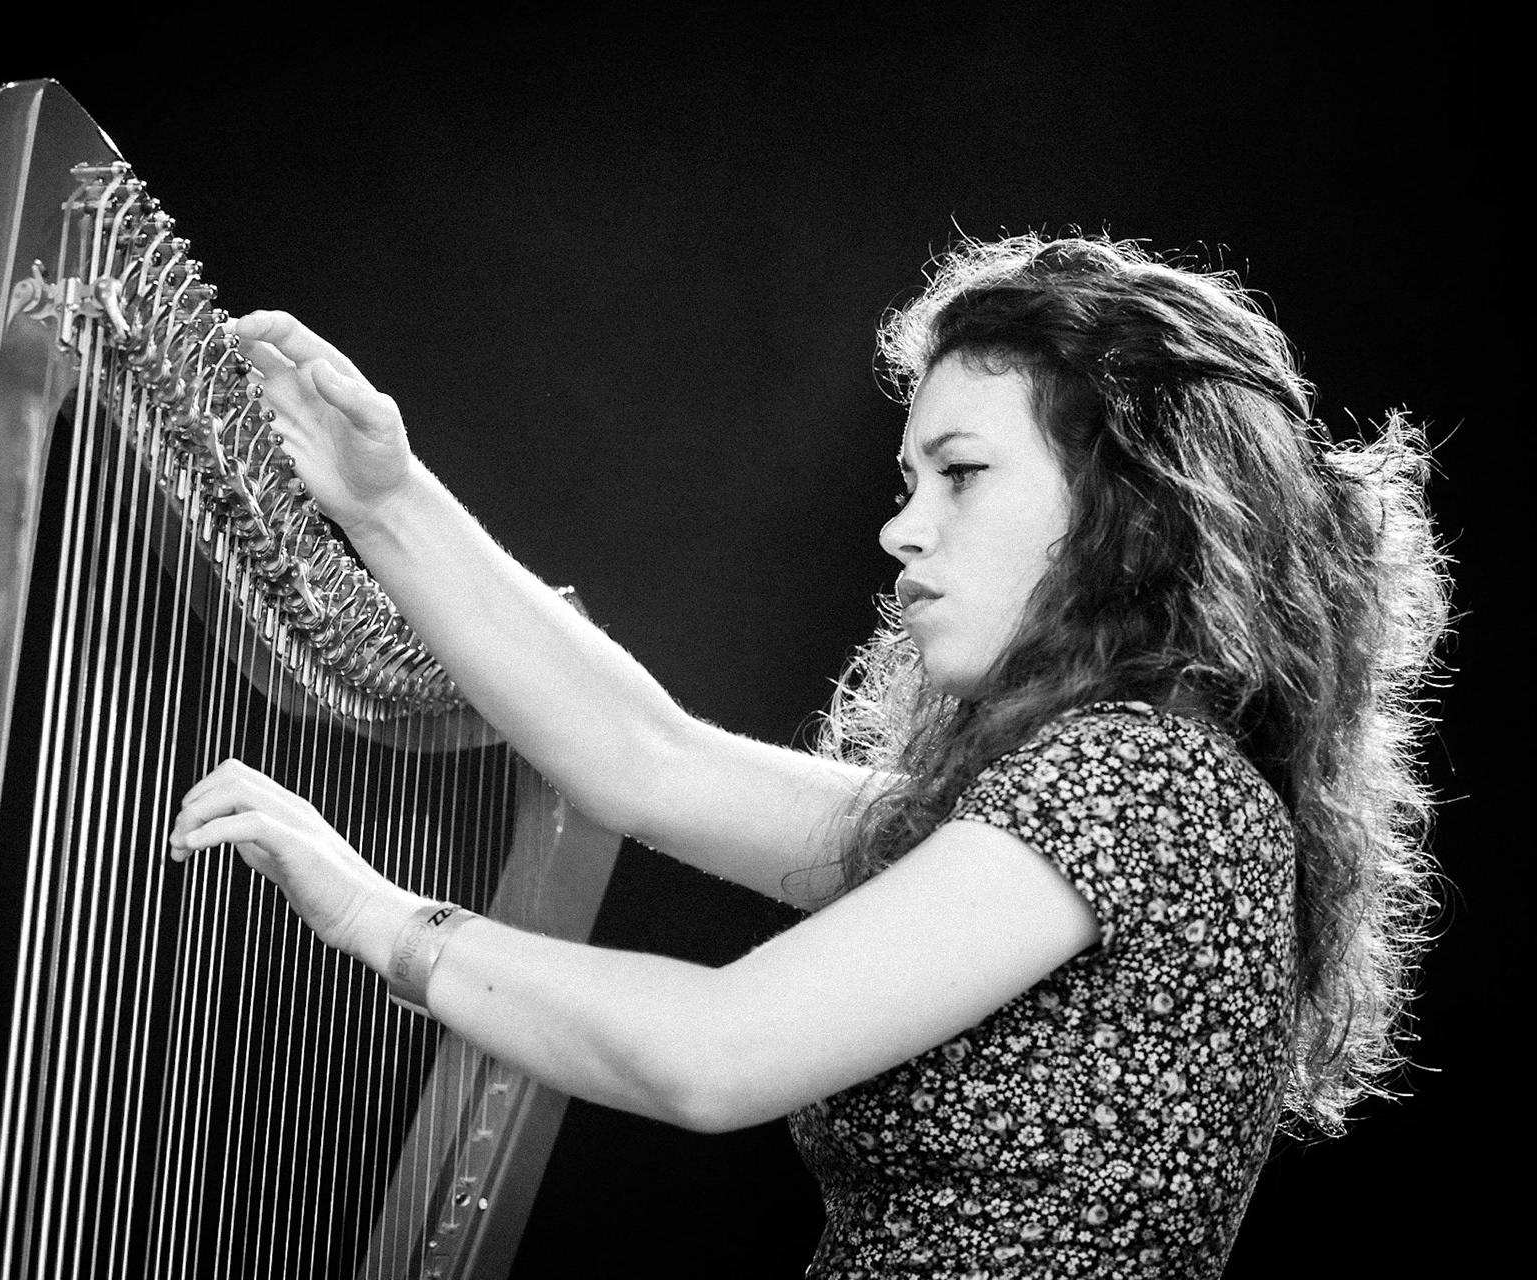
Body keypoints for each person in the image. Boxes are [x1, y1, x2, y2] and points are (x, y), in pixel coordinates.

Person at [168, 234, 1449, 1278]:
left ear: (1131, 505)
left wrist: (378, 914)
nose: (903, 528)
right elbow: (650, 762)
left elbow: (713, 1052)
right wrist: (384, 499)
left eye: (960, 474)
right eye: (908, 479)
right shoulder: (1099, 785)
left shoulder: (1140, 781)